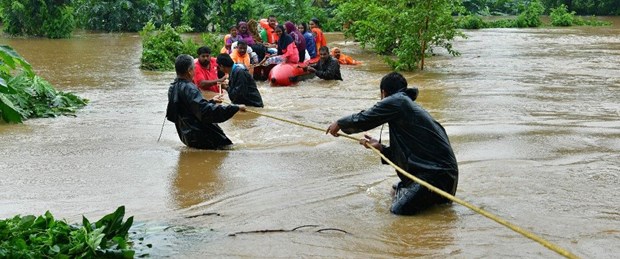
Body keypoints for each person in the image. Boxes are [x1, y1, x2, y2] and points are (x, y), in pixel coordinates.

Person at [326, 72, 458, 215]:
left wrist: (339, 123)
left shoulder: (398, 101)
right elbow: (409, 155)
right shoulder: (405, 107)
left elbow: (365, 118)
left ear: (383, 93)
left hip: (435, 177)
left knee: (397, 211)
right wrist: (381, 148)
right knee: (394, 190)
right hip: (444, 177)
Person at [166, 54, 246, 149]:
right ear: (189, 71)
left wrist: (212, 101)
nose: (195, 71)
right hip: (203, 136)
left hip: (187, 136)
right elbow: (205, 112)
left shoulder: (172, 87)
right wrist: (235, 107)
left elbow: (191, 109)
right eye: (194, 68)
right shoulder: (190, 88)